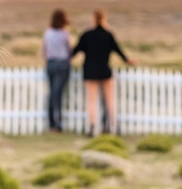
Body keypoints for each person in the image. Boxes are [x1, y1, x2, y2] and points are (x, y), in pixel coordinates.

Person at [72, 9, 136, 137]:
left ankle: (92, 127)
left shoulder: (87, 35)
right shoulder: (108, 35)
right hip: (104, 71)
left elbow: (74, 51)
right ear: (104, 19)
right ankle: (114, 126)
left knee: (91, 100)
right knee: (110, 100)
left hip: (90, 71)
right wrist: (128, 60)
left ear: (93, 19)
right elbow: (119, 51)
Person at [42, 9, 71, 132]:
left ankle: (51, 123)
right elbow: (70, 50)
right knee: (57, 95)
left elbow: (44, 51)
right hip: (62, 65)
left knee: (52, 93)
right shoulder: (64, 33)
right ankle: (57, 124)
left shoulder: (47, 33)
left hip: (51, 64)